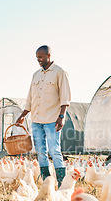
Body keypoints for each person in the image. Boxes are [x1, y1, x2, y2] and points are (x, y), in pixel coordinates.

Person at [15, 45, 71, 188]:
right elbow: (30, 98)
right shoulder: (36, 75)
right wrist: (23, 115)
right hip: (36, 120)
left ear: (49, 55)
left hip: (52, 119)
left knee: (54, 151)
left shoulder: (59, 72)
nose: (38, 60)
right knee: (40, 152)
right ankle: (47, 184)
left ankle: (62, 184)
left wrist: (61, 116)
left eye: (41, 57)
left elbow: (65, 96)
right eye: (37, 57)